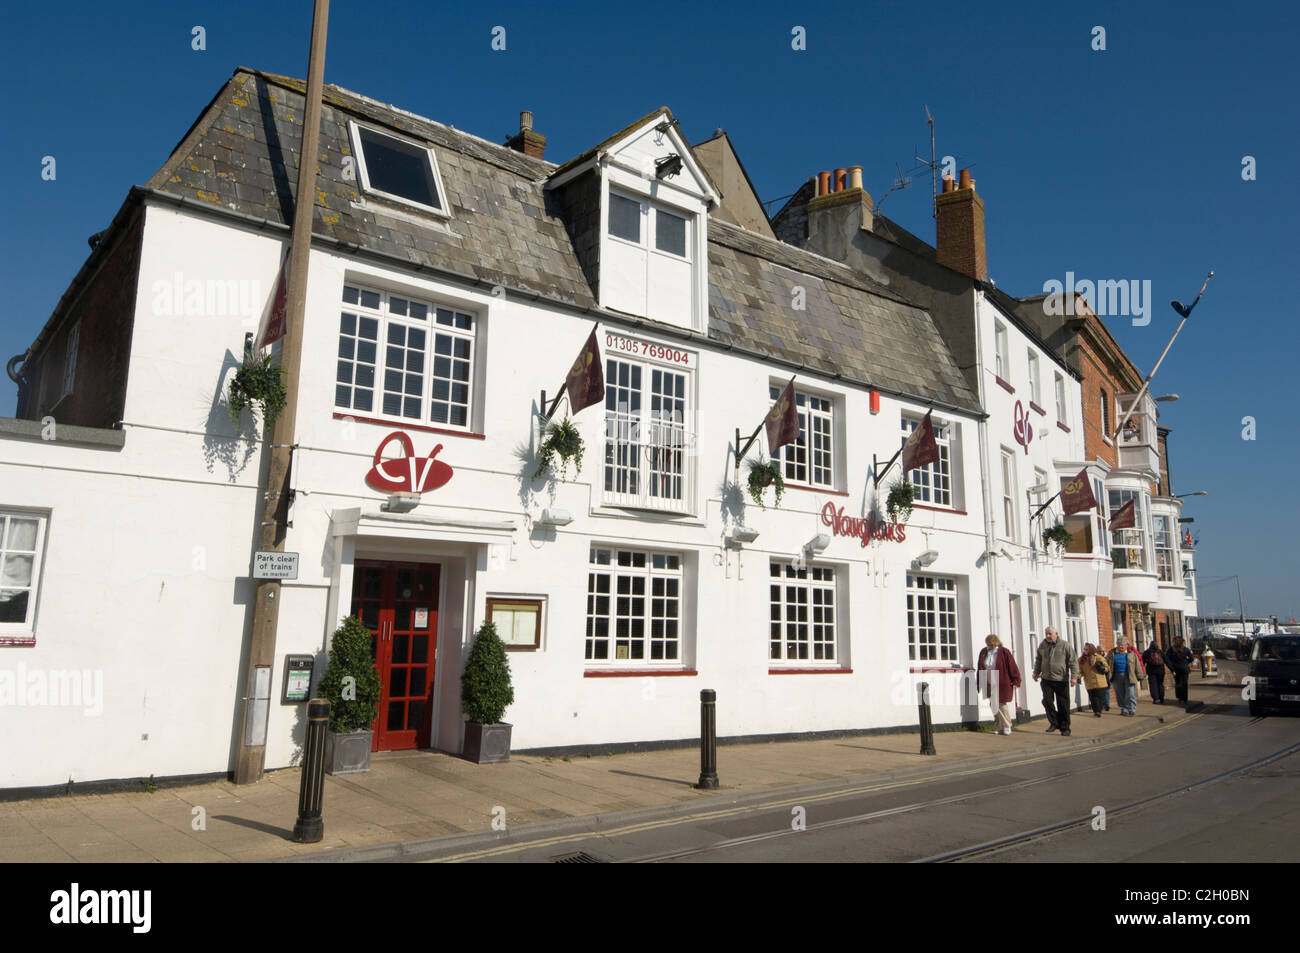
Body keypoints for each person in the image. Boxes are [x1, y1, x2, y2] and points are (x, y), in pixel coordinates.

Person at [1033, 626, 1078, 736]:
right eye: (1046, 634)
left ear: (1056, 634)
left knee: (1063, 704)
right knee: (1047, 702)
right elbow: (1038, 660)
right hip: (1046, 679)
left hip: (1061, 679)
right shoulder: (1043, 645)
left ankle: (1065, 727)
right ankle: (1054, 722)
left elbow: (1073, 662)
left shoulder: (1065, 645)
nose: (1048, 636)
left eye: (1050, 634)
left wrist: (1074, 677)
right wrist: (1036, 672)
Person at [977, 634, 1022, 735]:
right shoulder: (984, 652)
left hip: (1000, 680)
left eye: (991, 644)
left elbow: (1012, 666)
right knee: (993, 704)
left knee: (1001, 704)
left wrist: (1016, 679)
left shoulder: (1003, 652)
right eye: (988, 644)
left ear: (996, 643)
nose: (989, 646)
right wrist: (979, 681)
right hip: (988, 680)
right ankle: (999, 726)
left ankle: (1007, 725)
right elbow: (980, 666)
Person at [1107, 636, 1145, 715]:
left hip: (1129, 675)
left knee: (1130, 694)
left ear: (1126, 645)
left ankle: (1132, 709)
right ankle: (1124, 709)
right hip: (1116, 676)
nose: (1120, 646)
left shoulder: (1131, 653)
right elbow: (1107, 663)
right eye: (1119, 644)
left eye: (1122, 645)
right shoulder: (1112, 653)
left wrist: (1140, 675)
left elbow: (1137, 665)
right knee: (1120, 694)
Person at [1079, 643, 1110, 716]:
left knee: (1099, 697)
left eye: (1087, 649)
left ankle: (1098, 711)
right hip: (1089, 681)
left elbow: (1107, 667)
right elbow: (1080, 670)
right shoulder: (1081, 660)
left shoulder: (1099, 657)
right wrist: (1078, 677)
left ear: (1091, 649)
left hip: (1099, 681)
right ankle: (1096, 711)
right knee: (1092, 698)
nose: (1085, 651)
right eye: (1084, 649)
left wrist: (1102, 668)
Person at [1166, 635, 1194, 705]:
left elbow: (1167, 660)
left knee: (1178, 683)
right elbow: (1191, 658)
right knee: (1184, 684)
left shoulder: (1170, 650)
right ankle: (1184, 699)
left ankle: (1179, 697)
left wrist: (1172, 668)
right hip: (1184, 669)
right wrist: (1186, 662)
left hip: (1176, 669)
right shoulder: (1185, 649)